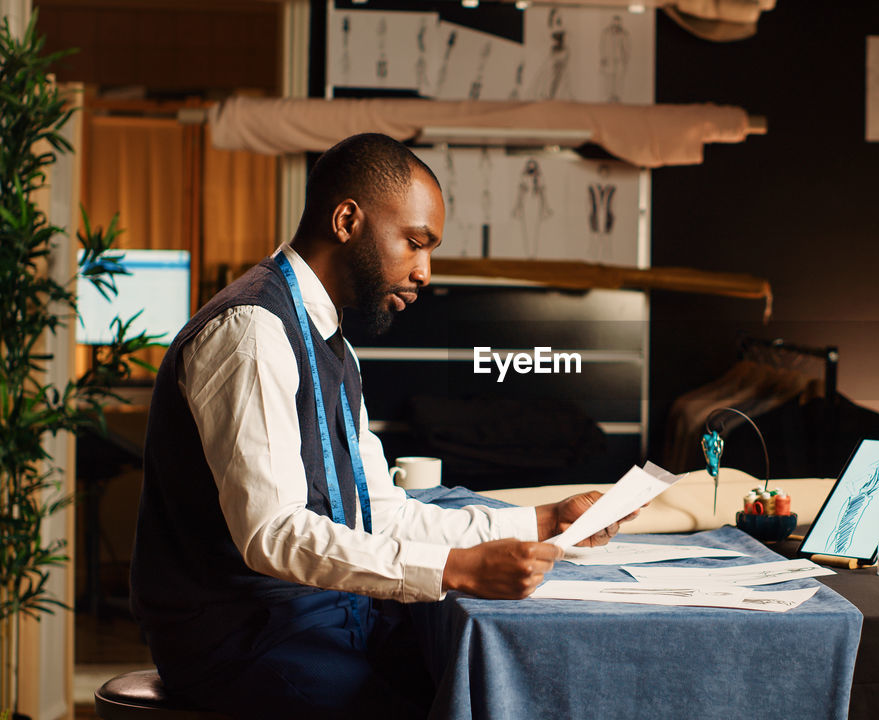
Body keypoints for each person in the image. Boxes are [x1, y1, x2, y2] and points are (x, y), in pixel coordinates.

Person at [130, 133, 629, 719]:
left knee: (484, 686)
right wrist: (455, 569)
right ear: (347, 220)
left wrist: (544, 521)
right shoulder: (251, 332)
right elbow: (273, 535)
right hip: (239, 640)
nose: (424, 272)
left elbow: (380, 512)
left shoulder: (334, 345)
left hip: (316, 615)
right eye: (415, 244)